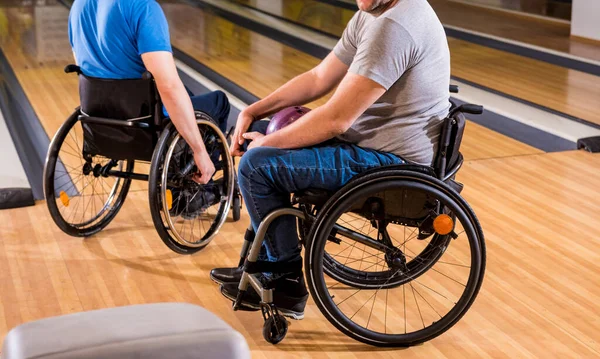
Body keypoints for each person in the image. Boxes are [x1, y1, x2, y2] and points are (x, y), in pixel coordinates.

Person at [211, 0, 451, 319]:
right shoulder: (374, 12)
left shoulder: (394, 27)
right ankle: (261, 264)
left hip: (388, 161)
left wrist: (264, 145)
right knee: (260, 136)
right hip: (371, 146)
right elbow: (318, 78)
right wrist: (254, 110)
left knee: (257, 167)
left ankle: (285, 281)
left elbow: (336, 119)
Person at [68, 0, 230, 188]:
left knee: (186, 93)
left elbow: (84, 67)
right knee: (219, 102)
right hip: (144, 119)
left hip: (99, 118)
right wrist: (199, 150)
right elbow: (168, 87)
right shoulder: (143, 8)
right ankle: (202, 188)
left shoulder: (79, 6)